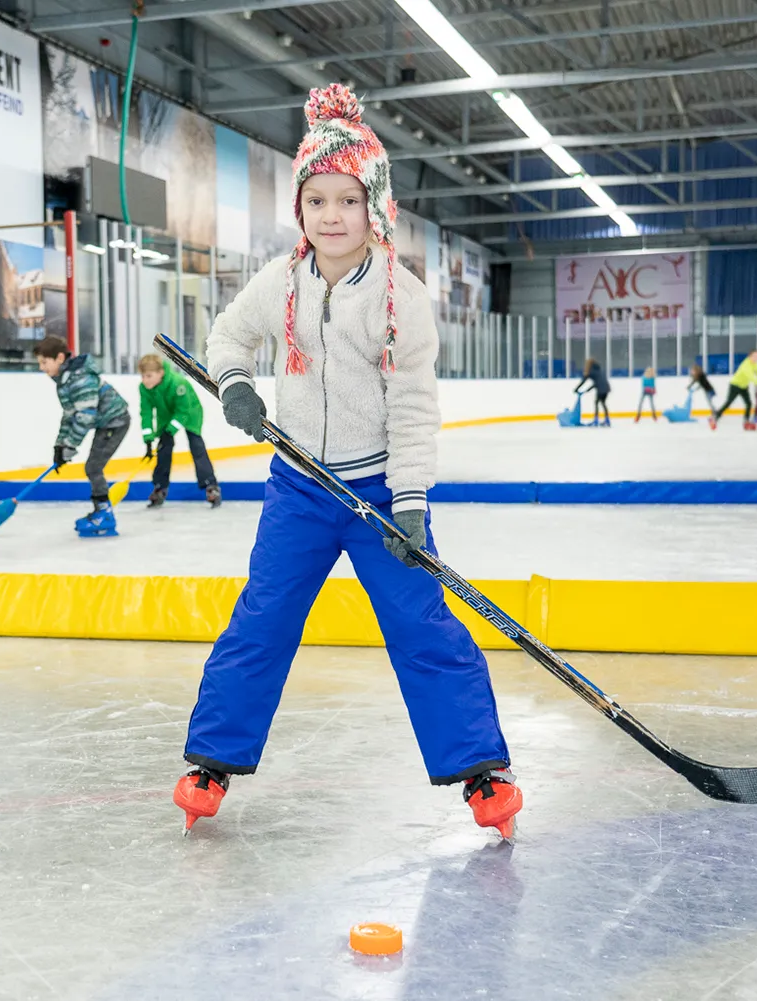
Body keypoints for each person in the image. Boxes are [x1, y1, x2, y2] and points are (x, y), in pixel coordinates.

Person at [172, 84, 520, 841]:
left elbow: (414, 409)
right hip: (298, 486)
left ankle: (481, 768)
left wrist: (410, 502)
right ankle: (212, 759)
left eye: (348, 200)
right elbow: (227, 338)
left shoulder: (401, 298)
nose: (332, 216)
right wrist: (233, 386)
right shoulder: (282, 282)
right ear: (300, 208)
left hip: (377, 490)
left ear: (377, 207)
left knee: (420, 621)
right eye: (317, 199)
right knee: (263, 616)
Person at [33, 335, 130, 537]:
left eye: (44, 362)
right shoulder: (63, 380)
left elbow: (86, 416)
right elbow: (69, 415)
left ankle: (104, 514)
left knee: (93, 467)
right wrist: (60, 446)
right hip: (104, 422)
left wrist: (70, 446)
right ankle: (101, 510)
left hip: (115, 421)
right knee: (92, 467)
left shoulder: (80, 379)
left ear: (59, 358)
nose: (42, 367)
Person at [137, 353, 221, 509]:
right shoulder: (144, 388)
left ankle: (211, 485)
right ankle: (160, 487)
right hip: (166, 414)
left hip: (190, 412)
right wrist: (148, 439)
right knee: (163, 449)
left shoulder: (178, 383)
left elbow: (183, 411)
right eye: (142, 376)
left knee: (196, 446)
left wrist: (171, 430)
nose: (145, 380)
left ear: (160, 373)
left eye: (149, 375)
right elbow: (146, 413)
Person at [714, 348, 757, 429]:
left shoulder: (755, 364)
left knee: (749, 403)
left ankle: (746, 421)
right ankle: (716, 416)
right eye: (755, 356)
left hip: (744, 387)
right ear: (750, 356)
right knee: (729, 402)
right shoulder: (746, 365)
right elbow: (750, 375)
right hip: (735, 385)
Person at [574, 357, 611, 426]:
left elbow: (584, 381)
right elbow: (597, 382)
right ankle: (607, 420)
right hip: (606, 388)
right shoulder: (599, 370)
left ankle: (596, 420)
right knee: (603, 403)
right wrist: (588, 390)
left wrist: (576, 389)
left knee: (596, 403)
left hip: (601, 388)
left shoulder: (591, 371)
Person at [688, 363, 717, 428]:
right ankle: (714, 412)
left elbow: (702, 384)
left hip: (709, 391)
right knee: (710, 402)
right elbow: (695, 382)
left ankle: (715, 413)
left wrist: (695, 388)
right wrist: (690, 386)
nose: (692, 372)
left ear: (696, 370)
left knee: (710, 403)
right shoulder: (699, 376)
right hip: (708, 391)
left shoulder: (701, 376)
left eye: (693, 371)